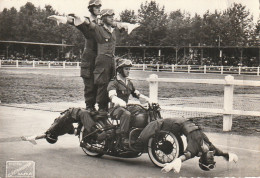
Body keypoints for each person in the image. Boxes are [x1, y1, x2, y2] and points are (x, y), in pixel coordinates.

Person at [48, 0, 102, 114]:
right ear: (91, 8)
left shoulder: (100, 21)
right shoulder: (86, 19)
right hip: (90, 55)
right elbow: (75, 21)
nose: (99, 8)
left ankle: (98, 107)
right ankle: (90, 107)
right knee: (90, 85)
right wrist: (63, 19)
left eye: (99, 6)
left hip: (99, 56)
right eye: (96, 7)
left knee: (100, 84)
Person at [135, 118, 238, 173]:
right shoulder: (212, 149)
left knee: (157, 124)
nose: (212, 156)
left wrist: (173, 164)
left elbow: (183, 157)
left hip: (176, 125)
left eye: (209, 159)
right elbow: (222, 153)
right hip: (185, 121)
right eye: (212, 158)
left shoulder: (194, 150)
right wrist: (230, 156)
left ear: (202, 158)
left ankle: (140, 139)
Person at [107, 58, 152, 145]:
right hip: (115, 109)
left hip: (125, 107)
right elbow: (112, 96)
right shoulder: (114, 82)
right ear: (120, 70)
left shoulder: (129, 83)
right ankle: (123, 137)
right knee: (126, 114)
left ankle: (137, 134)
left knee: (142, 111)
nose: (128, 71)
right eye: (126, 69)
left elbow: (136, 94)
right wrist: (120, 102)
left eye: (129, 69)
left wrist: (147, 99)